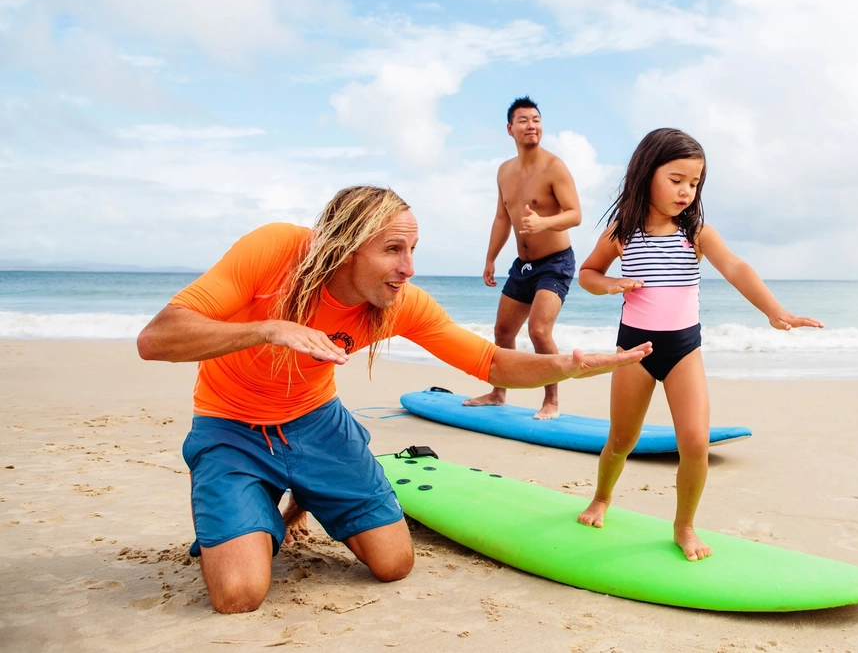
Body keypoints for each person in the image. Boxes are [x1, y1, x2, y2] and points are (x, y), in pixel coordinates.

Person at [136, 186, 649, 614]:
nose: (407, 268)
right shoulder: (275, 251)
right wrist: (267, 329)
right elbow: (156, 339)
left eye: (413, 250)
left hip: (318, 426)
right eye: (393, 250)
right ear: (346, 246)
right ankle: (252, 509)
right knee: (239, 595)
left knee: (392, 564)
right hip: (231, 427)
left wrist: (568, 365)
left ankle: (305, 491)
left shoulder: (400, 303)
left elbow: (490, 363)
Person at [575, 128, 822, 560]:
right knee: (621, 439)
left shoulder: (696, 233)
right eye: (676, 179)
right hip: (634, 351)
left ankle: (684, 526)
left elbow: (736, 266)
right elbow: (588, 273)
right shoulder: (622, 232)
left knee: (694, 442)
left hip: (683, 350)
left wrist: (774, 310)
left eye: (694, 182)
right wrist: (610, 283)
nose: (686, 190)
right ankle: (601, 497)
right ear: (647, 173)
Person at [462, 96, 583, 419]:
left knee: (539, 331)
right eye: (524, 120)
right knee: (503, 332)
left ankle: (552, 401)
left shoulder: (554, 167)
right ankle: (499, 393)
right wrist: (491, 259)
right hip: (523, 265)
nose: (532, 126)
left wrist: (544, 222)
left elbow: (575, 215)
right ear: (510, 129)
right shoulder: (504, 171)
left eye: (536, 119)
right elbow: (503, 218)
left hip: (556, 262)